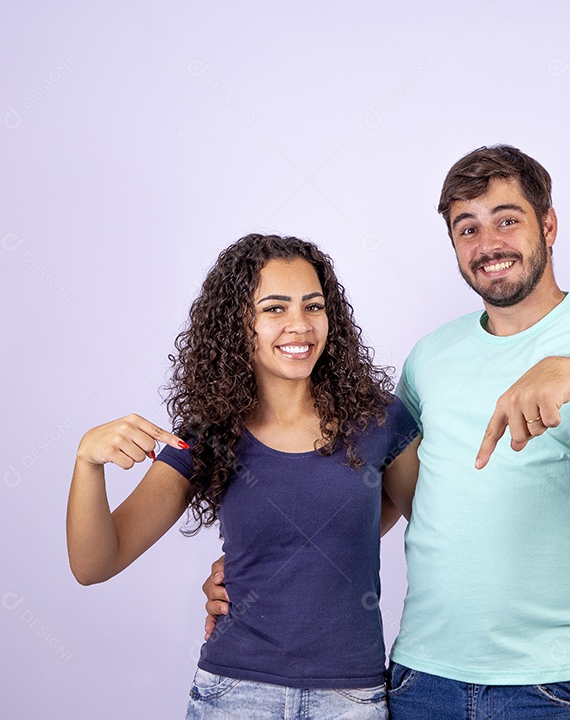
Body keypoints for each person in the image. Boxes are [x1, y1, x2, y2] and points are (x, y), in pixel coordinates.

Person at [206, 145, 570, 719]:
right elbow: (388, 496)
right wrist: (264, 568)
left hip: (553, 688)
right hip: (422, 682)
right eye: (467, 228)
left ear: (549, 225)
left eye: (507, 220)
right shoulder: (431, 356)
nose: (488, 244)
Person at [67, 234, 421, 719]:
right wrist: (87, 462)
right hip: (234, 695)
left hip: (351, 699)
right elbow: (94, 564)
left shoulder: (379, 419)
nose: (299, 325)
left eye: (313, 306)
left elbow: (427, 518)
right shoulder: (210, 434)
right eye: (274, 308)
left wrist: (310, 549)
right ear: (238, 324)